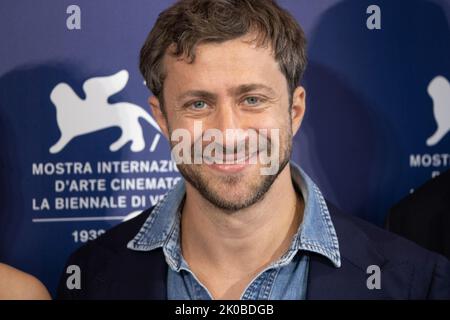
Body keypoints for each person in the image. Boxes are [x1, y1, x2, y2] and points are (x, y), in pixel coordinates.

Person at [57, 0, 450, 299]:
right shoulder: (90, 278)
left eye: (252, 100)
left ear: (294, 111)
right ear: (162, 118)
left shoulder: (412, 282)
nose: (227, 134)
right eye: (198, 104)